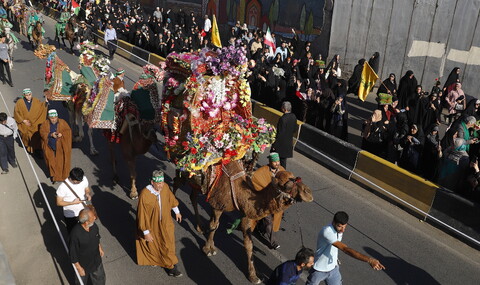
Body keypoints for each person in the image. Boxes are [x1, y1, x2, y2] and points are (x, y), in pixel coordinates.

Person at [306, 211, 385, 285]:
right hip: (319, 269)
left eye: (344, 227)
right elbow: (345, 249)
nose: (343, 230)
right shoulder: (327, 232)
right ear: (333, 222)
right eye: (340, 226)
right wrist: (369, 260)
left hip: (333, 268)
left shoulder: (339, 231)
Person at [136, 170, 183, 277]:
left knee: (168, 244)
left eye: (162, 183)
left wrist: (177, 211)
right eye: (158, 184)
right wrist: (146, 232)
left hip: (166, 222)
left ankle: (170, 264)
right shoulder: (145, 194)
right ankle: (171, 267)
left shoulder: (165, 187)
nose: (161, 186)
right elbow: (142, 214)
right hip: (152, 225)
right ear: (152, 182)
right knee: (154, 244)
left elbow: (171, 199)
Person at [251, 152, 286, 250]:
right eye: (275, 162)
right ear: (270, 162)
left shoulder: (282, 170)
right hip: (265, 202)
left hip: (277, 202)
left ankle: (262, 228)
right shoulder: (262, 171)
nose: (277, 163)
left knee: (276, 219)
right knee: (269, 221)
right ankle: (273, 242)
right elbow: (256, 181)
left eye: (278, 161)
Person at [70, 208, 106, 285]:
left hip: (96, 260)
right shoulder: (75, 234)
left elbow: (97, 237)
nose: (95, 218)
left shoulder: (94, 226)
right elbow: (73, 253)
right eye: (93, 217)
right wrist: (79, 268)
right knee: (81, 282)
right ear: (86, 222)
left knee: (100, 279)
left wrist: (100, 248)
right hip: (83, 264)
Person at [40, 109, 72, 183]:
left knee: (61, 161)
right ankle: (54, 177)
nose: (53, 119)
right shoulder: (45, 124)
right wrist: (51, 135)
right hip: (49, 147)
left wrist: (62, 134)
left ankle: (62, 176)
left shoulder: (63, 122)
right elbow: (42, 133)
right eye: (52, 118)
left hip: (61, 147)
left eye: (55, 118)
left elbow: (68, 131)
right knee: (51, 163)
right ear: (48, 117)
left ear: (57, 117)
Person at [56, 167, 92, 233]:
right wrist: (73, 203)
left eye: (81, 180)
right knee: (72, 231)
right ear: (72, 179)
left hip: (83, 211)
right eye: (78, 182)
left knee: (85, 229)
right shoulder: (62, 187)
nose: (80, 182)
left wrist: (87, 194)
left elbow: (87, 188)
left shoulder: (83, 179)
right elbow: (59, 202)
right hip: (70, 215)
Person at [14, 88, 47, 155]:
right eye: (26, 95)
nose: (28, 96)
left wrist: (45, 102)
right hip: (25, 124)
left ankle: (36, 149)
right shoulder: (19, 102)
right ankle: (28, 147)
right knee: (26, 136)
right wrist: (23, 121)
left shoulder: (36, 100)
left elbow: (41, 107)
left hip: (34, 123)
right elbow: (16, 113)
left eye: (29, 95)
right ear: (24, 95)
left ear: (31, 94)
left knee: (36, 136)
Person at [271, 101, 297, 169]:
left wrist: (275, 145)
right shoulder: (293, 116)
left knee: (274, 159)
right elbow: (295, 129)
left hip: (281, 144)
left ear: (284, 109)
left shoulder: (283, 119)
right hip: (288, 143)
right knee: (283, 160)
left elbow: (280, 134)